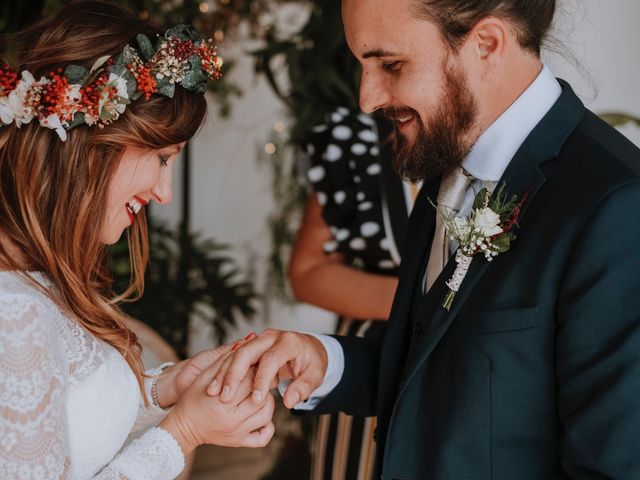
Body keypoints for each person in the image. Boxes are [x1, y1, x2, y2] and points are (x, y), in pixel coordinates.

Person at [207, 0, 640, 478]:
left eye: (391, 64)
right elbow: (443, 363)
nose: (367, 99)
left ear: (487, 44)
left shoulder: (616, 209)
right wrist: (325, 362)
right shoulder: (446, 163)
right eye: (363, 67)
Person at [0, 2, 275, 479]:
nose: (164, 193)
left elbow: (66, 428)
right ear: (91, 148)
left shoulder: (33, 278)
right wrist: (183, 432)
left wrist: (165, 389)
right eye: (163, 158)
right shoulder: (14, 312)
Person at [290, 109, 417, 480]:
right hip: (371, 365)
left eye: (392, 64)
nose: (369, 95)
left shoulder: (517, 146)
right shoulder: (360, 142)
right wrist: (424, 302)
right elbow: (307, 272)